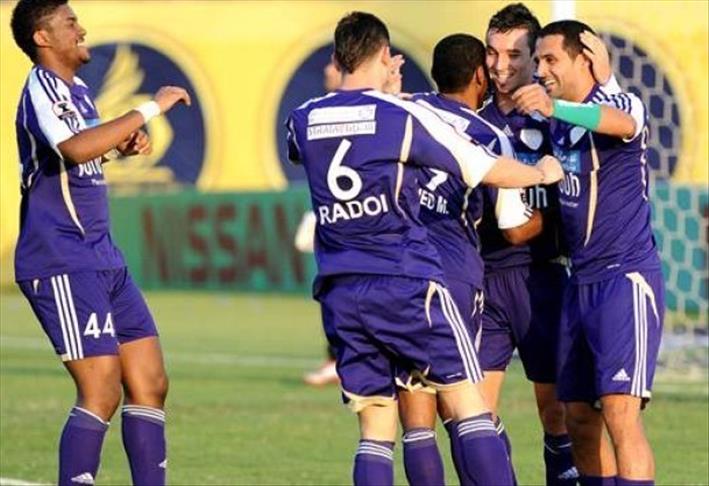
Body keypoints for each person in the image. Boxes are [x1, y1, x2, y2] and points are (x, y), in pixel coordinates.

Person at [286, 11, 564, 486]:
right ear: (384, 55)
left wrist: (378, 93)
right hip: (406, 282)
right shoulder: (402, 117)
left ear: (337, 57)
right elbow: (482, 167)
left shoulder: (303, 118)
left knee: (377, 428)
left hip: (340, 291)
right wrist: (541, 173)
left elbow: (318, 143)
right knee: (467, 404)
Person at [10, 1, 190, 484]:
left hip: (102, 256)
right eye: (70, 23)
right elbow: (73, 148)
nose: (81, 29)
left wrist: (116, 148)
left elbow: (77, 158)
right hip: (61, 258)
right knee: (101, 389)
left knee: (150, 382)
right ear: (43, 37)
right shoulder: (42, 87)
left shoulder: (79, 92)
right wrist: (149, 108)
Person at [512, 19, 664, 486]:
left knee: (620, 414)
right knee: (577, 417)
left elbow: (622, 123)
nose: (541, 69)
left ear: (586, 59)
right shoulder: (555, 123)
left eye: (551, 59)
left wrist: (557, 105)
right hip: (579, 282)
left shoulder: (620, 102)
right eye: (537, 60)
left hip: (625, 279)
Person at [479, 5, 616, 483]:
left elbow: (581, 193)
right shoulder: (471, 120)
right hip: (485, 278)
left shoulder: (558, 118)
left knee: (558, 414)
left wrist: (535, 222)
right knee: (473, 415)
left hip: (544, 277)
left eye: (514, 55)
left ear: (535, 58)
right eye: (492, 53)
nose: (500, 65)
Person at [398, 33, 544, 485]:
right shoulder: (489, 135)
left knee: (416, 421)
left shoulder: (405, 112)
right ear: (480, 75)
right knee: (467, 407)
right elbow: (515, 228)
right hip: (455, 272)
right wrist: (552, 212)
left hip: (400, 268)